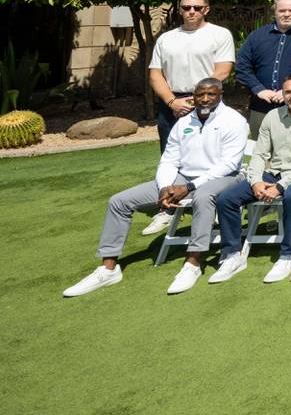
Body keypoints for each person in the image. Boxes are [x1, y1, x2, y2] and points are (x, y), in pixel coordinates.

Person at [63, 77, 247, 297]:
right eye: (200, 94)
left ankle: (193, 263)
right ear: (193, 96)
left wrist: (188, 187)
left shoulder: (234, 120)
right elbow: (169, 159)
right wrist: (164, 187)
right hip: (182, 178)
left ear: (221, 95)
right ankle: (108, 268)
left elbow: (228, 164)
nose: (205, 99)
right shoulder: (184, 122)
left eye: (211, 94)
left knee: (203, 197)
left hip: (224, 177)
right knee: (119, 202)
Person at [209, 73, 291, 285]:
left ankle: (287, 256)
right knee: (226, 199)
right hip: (273, 173)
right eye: (288, 92)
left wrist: (281, 186)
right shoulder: (272, 117)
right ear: (282, 93)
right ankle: (232, 255)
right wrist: (256, 180)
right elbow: (259, 154)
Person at [142, 0, 236, 238]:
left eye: (197, 7)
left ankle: (208, 204)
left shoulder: (219, 34)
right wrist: (172, 101)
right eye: (186, 7)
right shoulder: (166, 38)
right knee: (170, 155)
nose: (191, 11)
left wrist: (197, 99)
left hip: (207, 99)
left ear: (206, 9)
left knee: (211, 153)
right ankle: (168, 208)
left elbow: (222, 71)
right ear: (180, 10)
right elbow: (155, 74)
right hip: (172, 101)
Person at [234, 0, 291, 138]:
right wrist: (259, 89)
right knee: (260, 151)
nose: (287, 14)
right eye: (282, 10)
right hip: (261, 106)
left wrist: (288, 91)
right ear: (275, 12)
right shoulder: (257, 36)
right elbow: (242, 66)